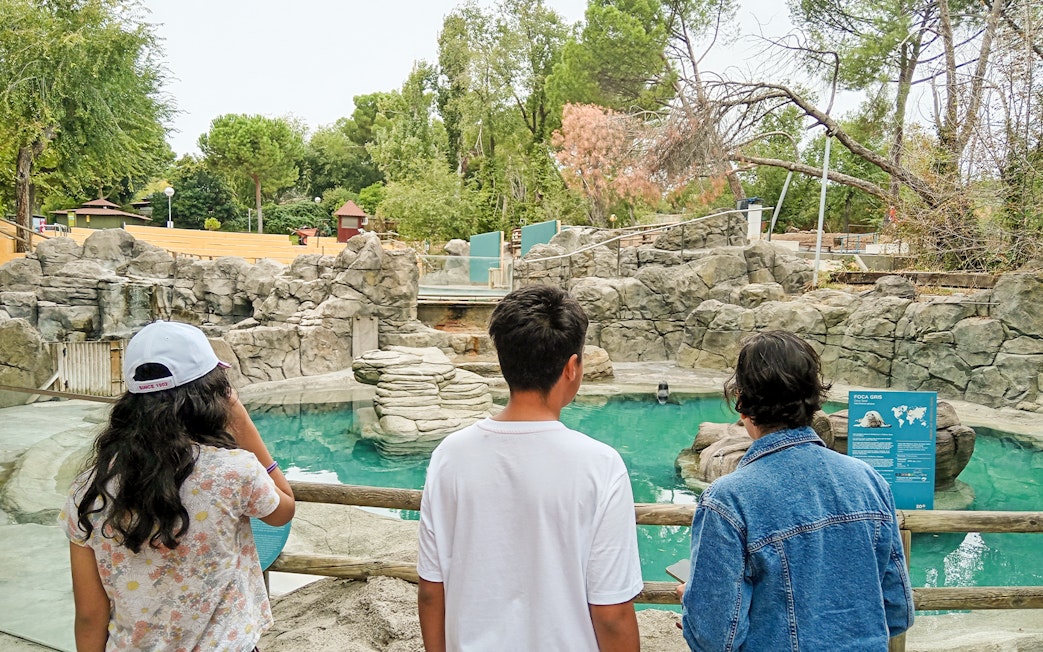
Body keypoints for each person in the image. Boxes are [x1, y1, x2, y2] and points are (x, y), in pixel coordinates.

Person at [417, 285, 644, 651]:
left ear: (503, 358)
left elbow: (431, 589)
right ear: (572, 367)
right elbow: (611, 612)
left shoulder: (450, 455)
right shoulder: (599, 466)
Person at [60, 320, 295, 651]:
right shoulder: (234, 472)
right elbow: (283, 509)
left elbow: (89, 615)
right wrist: (240, 417)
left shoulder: (88, 491)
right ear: (212, 395)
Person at [676, 330, 914, 651]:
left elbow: (716, 638)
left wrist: (696, 603)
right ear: (815, 399)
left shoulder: (728, 500)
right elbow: (897, 611)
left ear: (742, 403)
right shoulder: (869, 481)